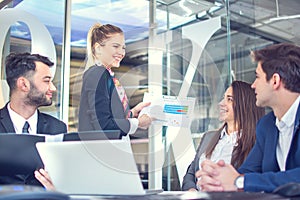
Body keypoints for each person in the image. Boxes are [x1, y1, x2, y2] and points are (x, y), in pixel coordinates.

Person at [196, 43, 300, 193]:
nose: (253, 85)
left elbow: (244, 180)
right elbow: (249, 171)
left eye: (257, 77)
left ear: (275, 81)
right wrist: (218, 178)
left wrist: (240, 181)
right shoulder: (267, 125)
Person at [182, 80, 265, 191]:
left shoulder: (257, 142)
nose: (221, 103)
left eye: (229, 99)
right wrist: (191, 191)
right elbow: (191, 173)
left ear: (244, 105)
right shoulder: (208, 137)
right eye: (223, 98)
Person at [0, 52, 67, 186]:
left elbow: (65, 177)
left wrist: (58, 189)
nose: (53, 88)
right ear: (23, 84)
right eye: (46, 81)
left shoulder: (58, 129)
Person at [78, 23, 152, 139]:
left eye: (123, 48)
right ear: (98, 48)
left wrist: (132, 113)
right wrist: (138, 123)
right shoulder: (97, 73)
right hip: (103, 151)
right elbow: (103, 124)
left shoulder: (107, 76)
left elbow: (109, 116)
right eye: (116, 46)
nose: (122, 53)